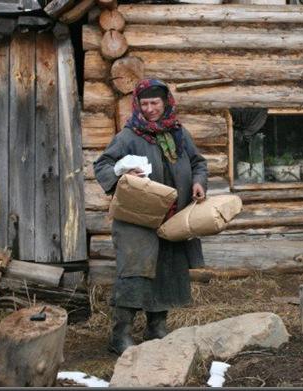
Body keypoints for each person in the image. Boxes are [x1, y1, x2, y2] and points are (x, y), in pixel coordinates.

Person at [93, 79, 208, 355]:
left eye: (155, 103)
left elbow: (197, 163)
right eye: (144, 104)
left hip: (171, 218)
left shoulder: (179, 134)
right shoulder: (129, 136)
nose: (150, 109)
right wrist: (121, 176)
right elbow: (103, 164)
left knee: (166, 269)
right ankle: (120, 336)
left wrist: (198, 182)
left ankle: (157, 329)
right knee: (135, 272)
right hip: (137, 218)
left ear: (165, 102)